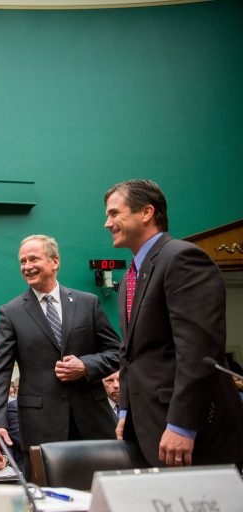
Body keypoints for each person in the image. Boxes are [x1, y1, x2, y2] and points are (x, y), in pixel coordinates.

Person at [104, 179, 243, 467]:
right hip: (147, 426)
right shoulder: (131, 277)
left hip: (187, 431)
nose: (108, 223)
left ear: (146, 212)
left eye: (115, 213)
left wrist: (182, 425)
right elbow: (129, 353)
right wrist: (125, 412)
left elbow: (199, 353)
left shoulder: (182, 258)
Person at [0, 234, 120, 463]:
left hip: (92, 421)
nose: (27, 267)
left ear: (55, 261)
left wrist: (86, 366)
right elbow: (0, 370)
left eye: (33, 259)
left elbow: (117, 352)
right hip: (41, 425)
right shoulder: (11, 312)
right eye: (22, 261)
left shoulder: (88, 303)